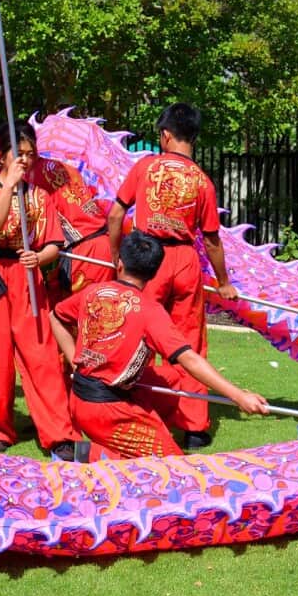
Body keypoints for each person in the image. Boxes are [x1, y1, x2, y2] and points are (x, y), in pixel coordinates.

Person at [51, 231, 269, 461]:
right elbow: (191, 360)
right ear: (154, 273)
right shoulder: (150, 311)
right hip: (108, 411)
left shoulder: (92, 291)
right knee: (175, 470)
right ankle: (85, 456)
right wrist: (238, 396)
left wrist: (75, 360)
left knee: (172, 378)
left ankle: (107, 450)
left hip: (80, 399)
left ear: (120, 262)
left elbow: (55, 316)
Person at [106, 102, 238, 449]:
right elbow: (211, 240)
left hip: (148, 259)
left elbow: (116, 215)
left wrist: (116, 257)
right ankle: (195, 427)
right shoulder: (202, 181)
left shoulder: (146, 167)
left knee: (140, 336)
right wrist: (224, 283)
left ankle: (140, 411)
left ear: (165, 135)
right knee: (188, 343)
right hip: (185, 261)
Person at [0, 124, 80, 461]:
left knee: (42, 355)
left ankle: (58, 433)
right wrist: (10, 187)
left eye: (31, 155)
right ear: (2, 156)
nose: (27, 161)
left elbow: (54, 244)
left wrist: (39, 257)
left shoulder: (40, 196)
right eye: (20, 155)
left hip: (27, 276)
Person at [27, 154, 116, 300]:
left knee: (82, 313)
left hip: (83, 252)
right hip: (101, 243)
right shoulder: (64, 165)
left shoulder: (30, 179)